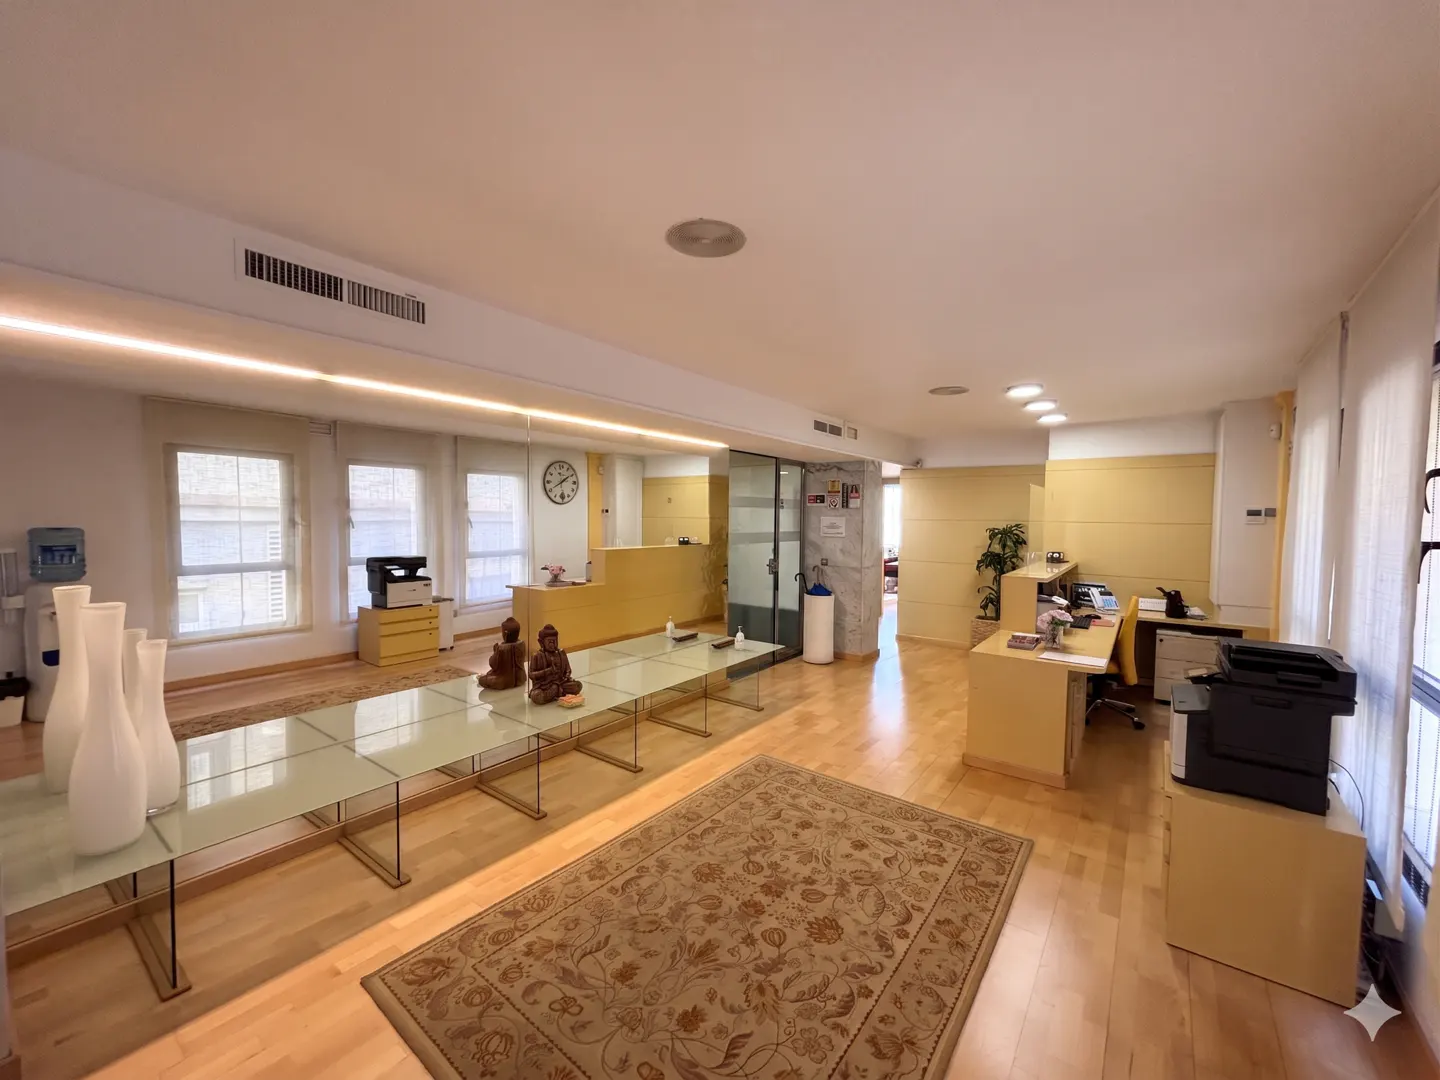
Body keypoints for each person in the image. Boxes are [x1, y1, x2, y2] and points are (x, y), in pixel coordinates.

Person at [528, 623, 582, 704]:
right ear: (541, 642)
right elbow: (531, 675)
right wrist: (548, 671)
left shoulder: (561, 653)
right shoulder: (537, 656)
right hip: (545, 686)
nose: (553, 644)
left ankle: (556, 692)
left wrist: (567, 676)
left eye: (555, 641)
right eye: (550, 642)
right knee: (536, 695)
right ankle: (557, 692)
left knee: (577, 686)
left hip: (561, 683)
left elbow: (568, 669)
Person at [477, 617, 525, 691]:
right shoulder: (522, 644)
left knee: (482, 680)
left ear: (505, 634)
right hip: (521, 678)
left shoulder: (502, 648)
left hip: (505, 680)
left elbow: (493, 664)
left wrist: (495, 651)